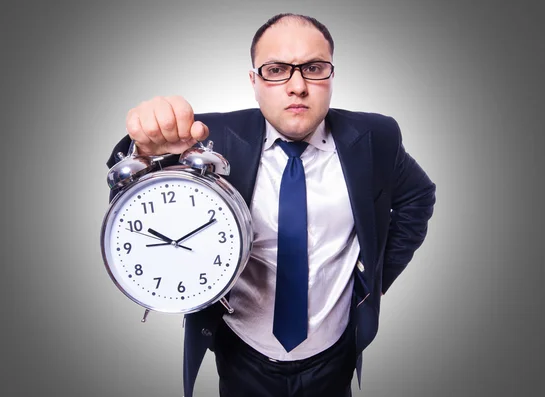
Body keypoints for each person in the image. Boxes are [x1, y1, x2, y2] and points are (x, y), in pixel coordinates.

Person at [107, 13, 436, 397]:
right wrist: (144, 150)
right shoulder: (208, 140)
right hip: (242, 352)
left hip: (333, 353)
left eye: (313, 68)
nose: (297, 86)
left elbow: (418, 197)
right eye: (277, 69)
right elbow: (131, 208)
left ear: (332, 76)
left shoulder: (375, 137)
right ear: (255, 82)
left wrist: (374, 281)